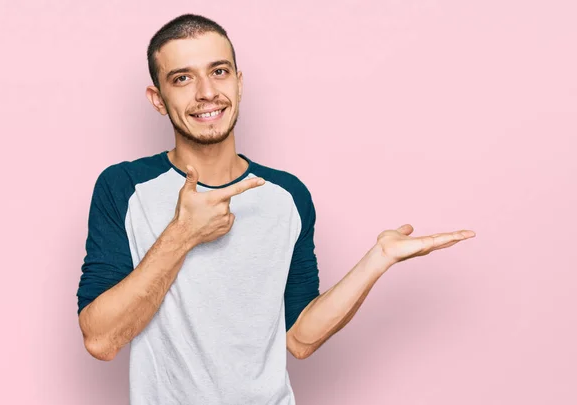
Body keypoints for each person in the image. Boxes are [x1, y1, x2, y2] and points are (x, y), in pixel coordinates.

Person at [76, 13, 476, 405]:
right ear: (158, 100)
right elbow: (100, 339)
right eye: (182, 78)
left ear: (239, 82)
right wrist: (183, 234)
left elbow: (299, 339)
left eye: (219, 72)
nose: (206, 92)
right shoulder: (124, 187)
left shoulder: (287, 195)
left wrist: (378, 260)